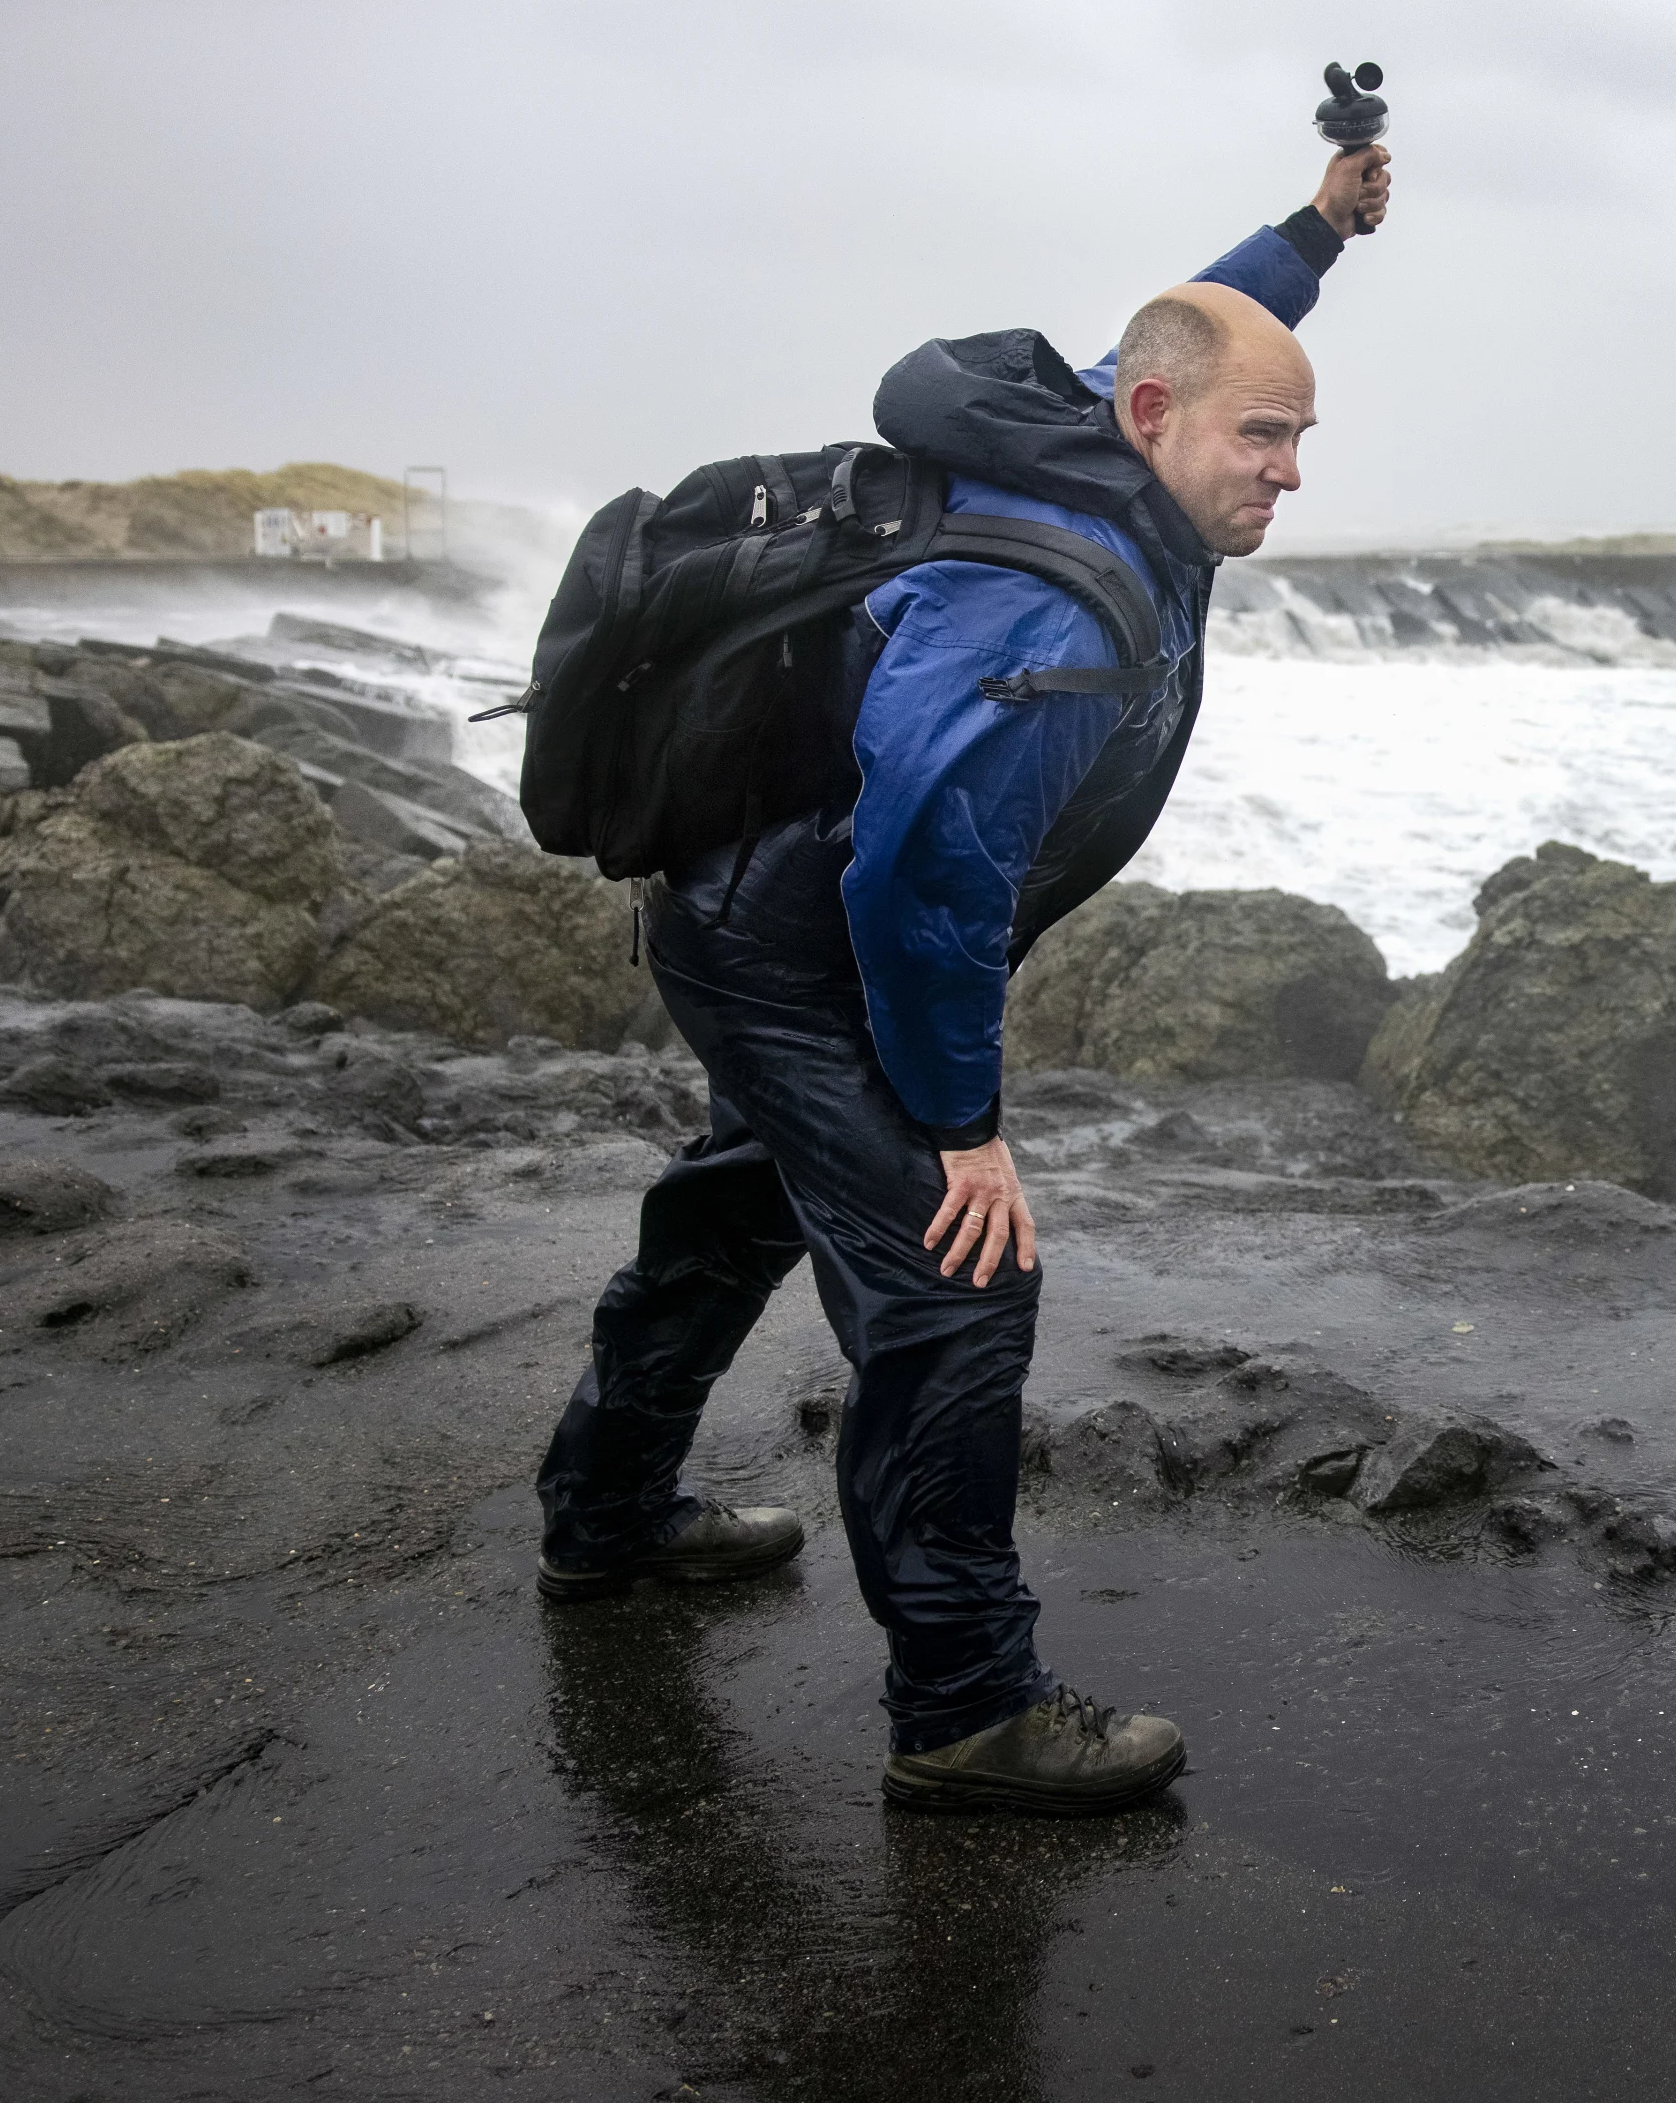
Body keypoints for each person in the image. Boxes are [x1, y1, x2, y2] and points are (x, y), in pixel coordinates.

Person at [530, 133, 1392, 1816]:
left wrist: (1315, 234)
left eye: (1300, 436)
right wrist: (960, 1122)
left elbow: (1192, 328)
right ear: (1155, 427)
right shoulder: (1050, 613)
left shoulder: (1086, 433)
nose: (1288, 471)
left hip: (755, 908)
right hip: (796, 943)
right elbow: (925, 872)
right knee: (954, 1279)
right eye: (1264, 436)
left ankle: (607, 1520)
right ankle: (968, 1706)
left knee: (739, 1203)